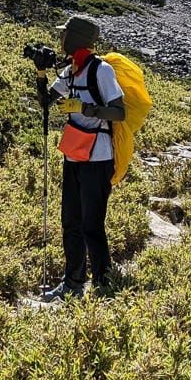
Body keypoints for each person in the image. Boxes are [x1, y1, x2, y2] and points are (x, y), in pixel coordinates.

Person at [42, 16, 125, 301]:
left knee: (91, 224)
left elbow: (118, 112)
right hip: (74, 156)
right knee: (70, 222)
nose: (61, 39)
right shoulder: (70, 70)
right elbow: (46, 100)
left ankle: (103, 283)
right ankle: (73, 283)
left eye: (64, 35)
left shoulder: (100, 70)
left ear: (75, 38)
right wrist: (41, 71)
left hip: (99, 159)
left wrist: (85, 108)